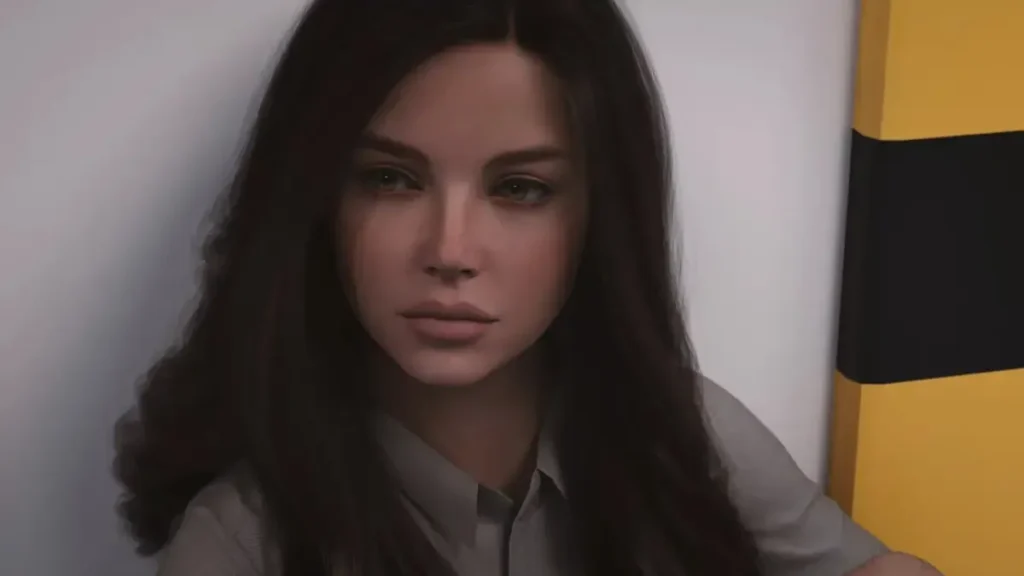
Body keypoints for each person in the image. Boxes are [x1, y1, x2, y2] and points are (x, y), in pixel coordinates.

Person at [112, 1, 942, 575]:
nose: (450, 250)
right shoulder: (240, 545)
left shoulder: (683, 434)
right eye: (391, 178)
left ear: (599, 216)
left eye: (519, 189)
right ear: (315, 198)